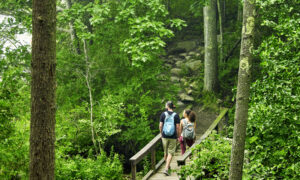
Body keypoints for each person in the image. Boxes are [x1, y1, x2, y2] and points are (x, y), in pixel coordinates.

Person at [159, 101, 180, 176]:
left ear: (167, 106)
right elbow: (177, 127)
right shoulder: (176, 115)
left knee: (165, 152)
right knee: (170, 152)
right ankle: (166, 168)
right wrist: (178, 136)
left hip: (164, 136)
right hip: (173, 136)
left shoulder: (163, 114)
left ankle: (167, 166)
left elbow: (161, 125)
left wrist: (161, 133)